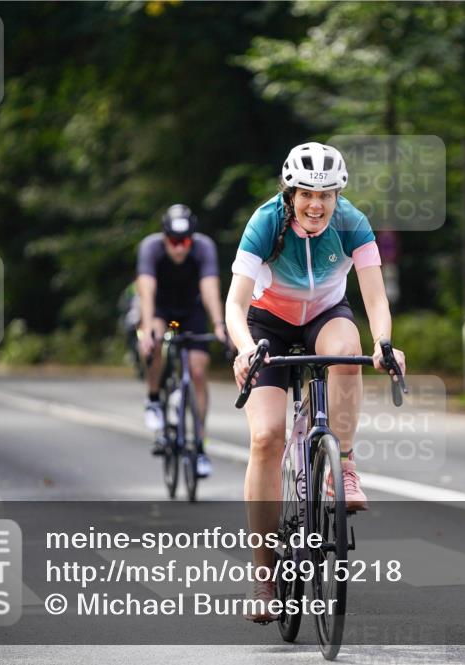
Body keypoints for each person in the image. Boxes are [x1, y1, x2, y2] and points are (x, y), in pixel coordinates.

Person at [224, 142, 406, 621]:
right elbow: (234, 305)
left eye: (326, 194)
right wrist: (245, 347)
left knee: (347, 351)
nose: (316, 204)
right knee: (266, 438)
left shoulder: (352, 223)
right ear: (291, 191)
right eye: (307, 193)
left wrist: (385, 343)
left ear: (337, 195)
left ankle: (342, 465)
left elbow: (374, 297)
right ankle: (264, 577)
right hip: (267, 324)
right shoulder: (266, 222)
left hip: (326, 314)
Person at [136, 204, 226, 477]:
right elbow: (146, 290)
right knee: (156, 340)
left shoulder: (203, 248)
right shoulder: (151, 248)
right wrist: (148, 325)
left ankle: (199, 446)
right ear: (164, 238)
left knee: (198, 371)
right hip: (161, 310)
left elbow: (210, 288)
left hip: (191, 311)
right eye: (174, 242)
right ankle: (153, 397)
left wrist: (220, 324)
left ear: (192, 238)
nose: (179, 248)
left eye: (184, 241)